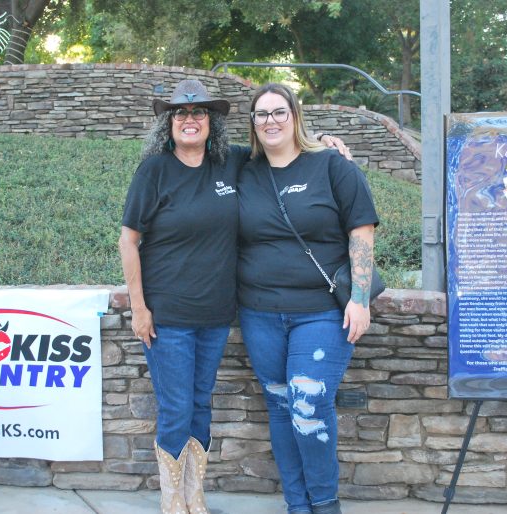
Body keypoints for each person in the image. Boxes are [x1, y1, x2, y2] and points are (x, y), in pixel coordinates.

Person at [118, 79, 350, 514]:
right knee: (175, 409)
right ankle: (174, 500)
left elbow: (280, 145)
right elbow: (128, 241)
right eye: (181, 114)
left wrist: (321, 141)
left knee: (201, 404)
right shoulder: (154, 170)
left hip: (215, 315)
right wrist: (139, 307)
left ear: (212, 122)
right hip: (167, 314)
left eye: (199, 113)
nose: (190, 120)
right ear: (169, 123)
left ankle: (196, 496)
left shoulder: (233, 163)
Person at [236, 83, 379, 514]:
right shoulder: (242, 170)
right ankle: (297, 505)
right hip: (258, 312)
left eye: (279, 112)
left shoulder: (332, 165)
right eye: (261, 115)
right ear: (253, 124)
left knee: (309, 405)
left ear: (295, 116)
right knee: (281, 408)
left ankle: (325, 503)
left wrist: (361, 297)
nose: (271, 121)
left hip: (319, 313)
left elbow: (362, 233)